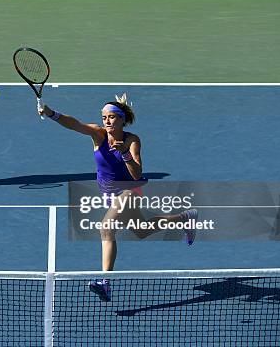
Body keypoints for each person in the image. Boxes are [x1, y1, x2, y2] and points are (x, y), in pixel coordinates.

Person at [39, 94, 197, 302]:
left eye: (112, 117)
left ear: (122, 119)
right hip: (109, 195)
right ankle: (186, 217)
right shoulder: (98, 134)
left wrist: (125, 154)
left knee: (106, 227)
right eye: (104, 117)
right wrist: (51, 114)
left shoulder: (132, 140)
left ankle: (105, 283)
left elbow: (136, 174)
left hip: (130, 192)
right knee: (141, 230)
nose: (107, 121)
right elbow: (74, 124)